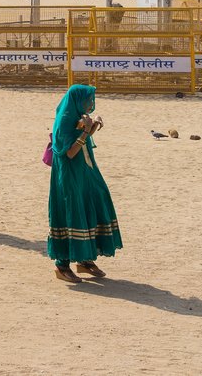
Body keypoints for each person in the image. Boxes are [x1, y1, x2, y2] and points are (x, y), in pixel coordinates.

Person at [47, 84, 122, 283]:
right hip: (69, 174)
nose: (91, 104)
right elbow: (69, 152)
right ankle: (62, 265)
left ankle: (85, 259)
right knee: (72, 211)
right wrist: (85, 131)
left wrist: (92, 126)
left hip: (86, 170)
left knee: (96, 200)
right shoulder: (64, 120)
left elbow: (84, 138)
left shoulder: (79, 116)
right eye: (88, 100)